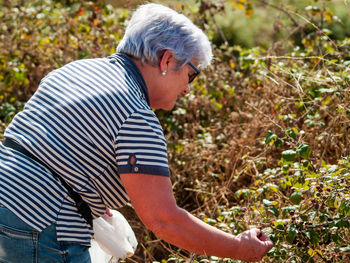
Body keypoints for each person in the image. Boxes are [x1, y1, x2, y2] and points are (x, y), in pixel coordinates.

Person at [0, 3, 273, 262]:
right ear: (166, 60)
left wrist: (85, 193)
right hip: (37, 221)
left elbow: (44, 147)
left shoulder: (76, 70)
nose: (188, 89)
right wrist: (239, 248)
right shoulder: (136, 115)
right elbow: (163, 219)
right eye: (191, 75)